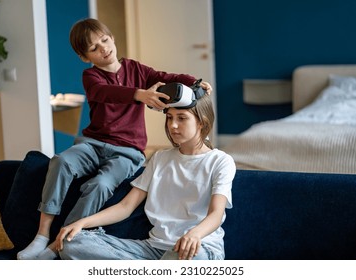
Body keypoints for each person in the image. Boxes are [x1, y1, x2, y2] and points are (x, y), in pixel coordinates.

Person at [17, 18, 212, 260]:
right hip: (92, 144)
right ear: (85, 57)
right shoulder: (91, 78)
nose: (103, 49)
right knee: (60, 161)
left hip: (128, 151)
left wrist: (193, 81)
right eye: (94, 48)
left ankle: (60, 243)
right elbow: (106, 93)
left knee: (101, 184)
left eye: (105, 41)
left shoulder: (137, 70)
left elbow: (166, 76)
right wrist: (139, 94)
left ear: (113, 39)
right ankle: (42, 235)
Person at [55, 93, 236, 260]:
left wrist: (195, 234)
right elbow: (126, 206)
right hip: (150, 250)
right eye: (170, 117)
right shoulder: (160, 158)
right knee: (72, 243)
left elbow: (216, 213)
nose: (172, 125)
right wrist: (82, 223)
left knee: (186, 258)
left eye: (181, 118)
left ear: (202, 122)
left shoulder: (220, 161)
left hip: (197, 249)